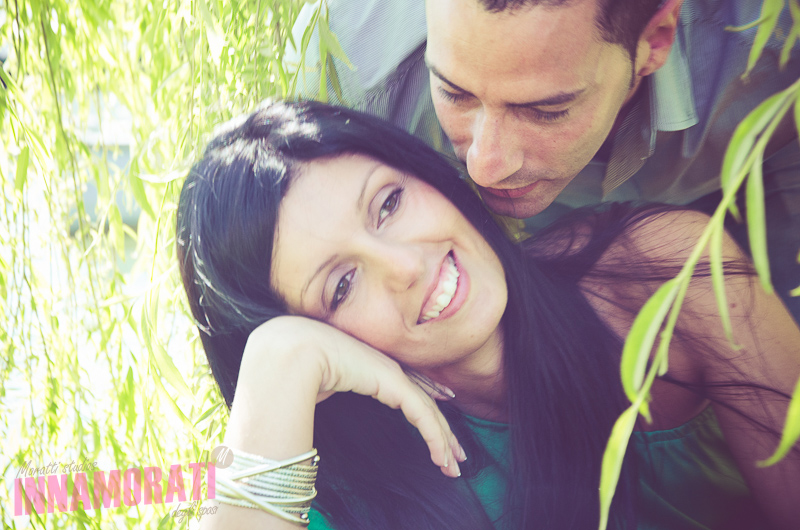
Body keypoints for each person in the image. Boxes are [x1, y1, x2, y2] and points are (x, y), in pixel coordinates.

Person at [177, 101, 800, 530]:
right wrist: (276, 361)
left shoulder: (664, 274)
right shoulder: (340, 494)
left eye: (388, 203)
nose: (406, 266)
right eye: (341, 286)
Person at [288, 0, 800, 321]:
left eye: (546, 111)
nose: (486, 167)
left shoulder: (775, 46)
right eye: (454, 93)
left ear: (655, 41)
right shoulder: (350, 76)